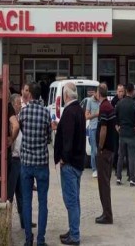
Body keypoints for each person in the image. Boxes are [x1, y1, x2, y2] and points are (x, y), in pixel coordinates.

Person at [19, 82, 52, 246]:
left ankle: (28, 239)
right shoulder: (46, 113)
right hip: (42, 162)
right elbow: (49, 137)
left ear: (30, 94)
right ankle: (40, 240)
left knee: (27, 202)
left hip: (26, 162)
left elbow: (21, 130)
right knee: (42, 202)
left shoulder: (23, 113)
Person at [54, 83, 86, 246]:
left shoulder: (69, 112)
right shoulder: (79, 110)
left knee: (71, 201)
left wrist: (63, 158)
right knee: (75, 199)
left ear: (66, 95)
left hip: (70, 163)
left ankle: (74, 235)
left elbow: (68, 138)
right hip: (78, 162)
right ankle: (73, 229)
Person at [94, 85, 116, 225]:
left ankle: (107, 215)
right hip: (110, 149)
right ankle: (106, 213)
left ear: (98, 93)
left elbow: (103, 129)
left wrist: (100, 147)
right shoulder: (109, 106)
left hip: (105, 150)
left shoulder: (104, 107)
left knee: (103, 184)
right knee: (105, 182)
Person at [115, 83, 135, 187]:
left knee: (120, 156)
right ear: (133, 91)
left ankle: (118, 178)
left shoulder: (120, 103)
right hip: (131, 133)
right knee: (131, 157)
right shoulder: (134, 104)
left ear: (126, 91)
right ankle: (132, 179)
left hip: (122, 133)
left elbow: (114, 115)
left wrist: (117, 126)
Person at [7, 93, 27, 228]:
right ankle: (6, 221)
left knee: (21, 192)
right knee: (10, 193)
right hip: (13, 159)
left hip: (21, 159)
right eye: (19, 103)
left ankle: (24, 221)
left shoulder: (19, 118)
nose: (21, 105)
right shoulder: (11, 121)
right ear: (13, 104)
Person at [84, 86, 100, 178]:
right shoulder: (90, 101)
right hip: (93, 128)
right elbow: (86, 116)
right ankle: (94, 169)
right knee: (94, 150)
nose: (99, 95)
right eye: (98, 93)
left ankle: (100, 168)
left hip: (101, 127)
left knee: (100, 149)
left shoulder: (101, 101)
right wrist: (96, 114)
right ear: (95, 93)